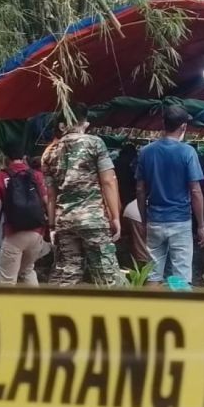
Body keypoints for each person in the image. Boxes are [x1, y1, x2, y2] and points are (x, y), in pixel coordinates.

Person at [43, 103, 121, 286]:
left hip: (64, 221)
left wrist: (52, 225)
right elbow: (108, 181)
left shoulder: (49, 152)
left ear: (62, 126)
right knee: (106, 274)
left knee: (68, 273)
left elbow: (51, 195)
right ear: (84, 122)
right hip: (92, 218)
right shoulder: (95, 143)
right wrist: (115, 217)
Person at [136, 105, 204, 286]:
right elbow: (196, 191)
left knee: (152, 274)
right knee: (181, 275)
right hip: (180, 221)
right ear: (183, 127)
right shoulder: (187, 152)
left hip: (155, 220)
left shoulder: (146, 152)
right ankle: (181, 311)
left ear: (163, 123)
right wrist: (201, 226)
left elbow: (140, 190)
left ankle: (152, 312)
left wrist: (144, 220)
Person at [0, 143, 48, 285]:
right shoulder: (36, 175)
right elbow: (46, 201)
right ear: (24, 158)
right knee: (28, 271)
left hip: (14, 234)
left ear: (6, 159)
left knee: (7, 279)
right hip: (37, 233)